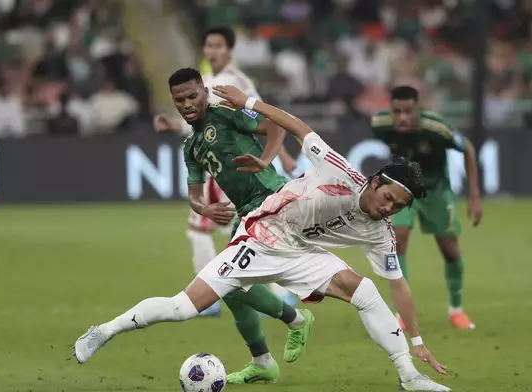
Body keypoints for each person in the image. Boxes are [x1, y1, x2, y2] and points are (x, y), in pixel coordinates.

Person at [73, 84, 452, 391]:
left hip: (303, 250)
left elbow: (398, 284)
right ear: (374, 182)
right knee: (183, 308)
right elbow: (296, 125)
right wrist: (250, 103)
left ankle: (409, 376)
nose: (389, 208)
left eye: (397, 206)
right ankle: (104, 331)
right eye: (388, 198)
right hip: (263, 236)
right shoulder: (338, 171)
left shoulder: (379, 231)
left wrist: (417, 342)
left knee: (366, 292)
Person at [133, 68, 312, 384]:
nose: (187, 103)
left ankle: (296, 319)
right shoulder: (192, 146)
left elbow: (274, 126)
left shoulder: (226, 116)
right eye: (180, 99)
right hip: (246, 213)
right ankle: (263, 362)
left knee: (229, 282)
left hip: (270, 200)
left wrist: (267, 159)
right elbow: (194, 195)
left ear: (204, 91)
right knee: (228, 290)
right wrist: (205, 208)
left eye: (192, 95)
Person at [153, 26, 297, 315]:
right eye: (208, 45)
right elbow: (203, 121)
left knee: (224, 233)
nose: (212, 51)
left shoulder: (237, 81)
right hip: (216, 160)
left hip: (239, 162)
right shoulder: (205, 80)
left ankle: (222, 296)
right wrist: (177, 125)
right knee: (253, 237)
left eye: (218, 46)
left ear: (229, 51)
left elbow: (262, 115)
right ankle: (272, 295)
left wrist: (280, 154)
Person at [371, 86, 483, 330]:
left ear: (418, 110)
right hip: (403, 190)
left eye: (408, 111)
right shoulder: (380, 123)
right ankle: (401, 312)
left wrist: (474, 195)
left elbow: (469, 150)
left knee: (449, 249)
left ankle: (456, 310)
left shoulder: (436, 128)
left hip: (436, 190)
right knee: (397, 240)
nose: (402, 117)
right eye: (397, 111)